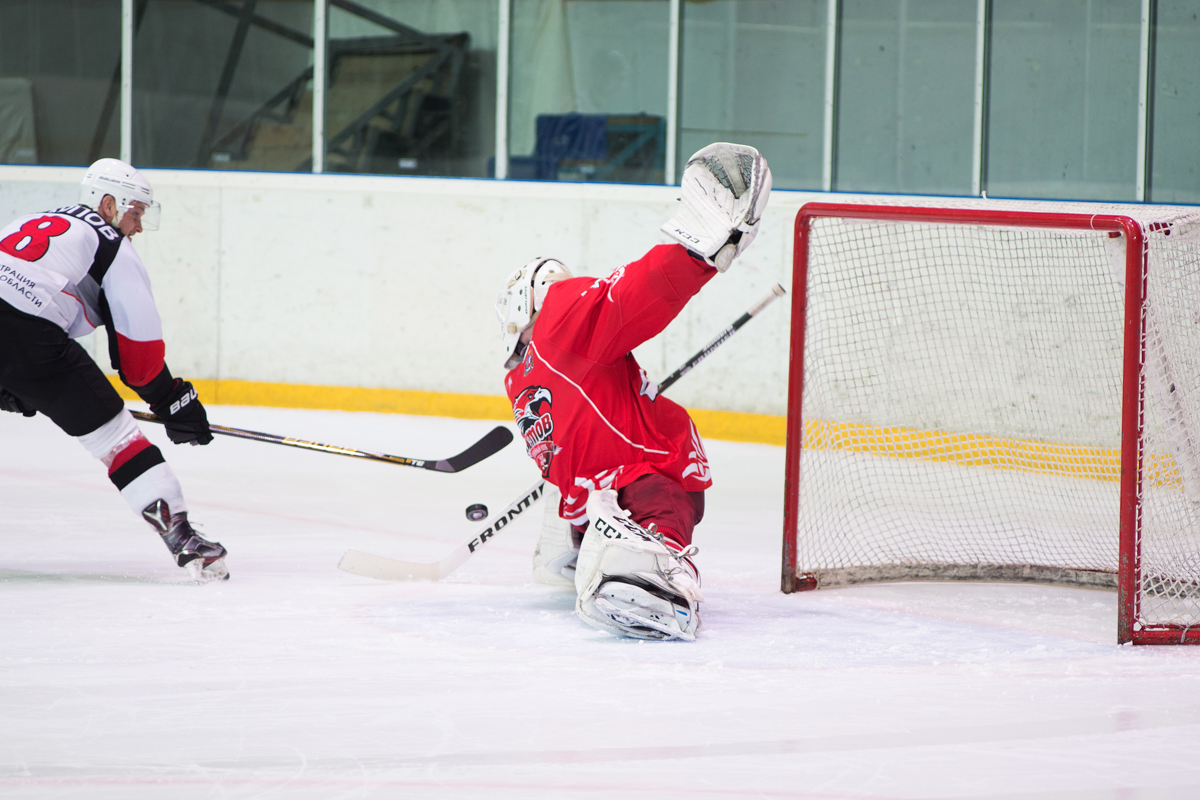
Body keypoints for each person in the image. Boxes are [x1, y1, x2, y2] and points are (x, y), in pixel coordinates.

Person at [495, 143, 772, 640]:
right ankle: (655, 572)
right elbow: (628, 298)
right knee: (657, 492)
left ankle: (586, 550)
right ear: (537, 298)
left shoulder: (520, 376)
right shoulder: (563, 320)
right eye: (557, 284)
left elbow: (574, 434)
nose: (572, 286)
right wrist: (697, 250)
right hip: (644, 481)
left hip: (589, 500)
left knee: (612, 492)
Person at [0, 158, 229, 580]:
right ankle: (181, 536)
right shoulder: (112, 245)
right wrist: (172, 399)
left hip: (19, 327)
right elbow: (139, 362)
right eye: (136, 212)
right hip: (30, 331)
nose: (138, 226)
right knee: (117, 438)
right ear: (108, 204)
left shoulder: (35, 217)